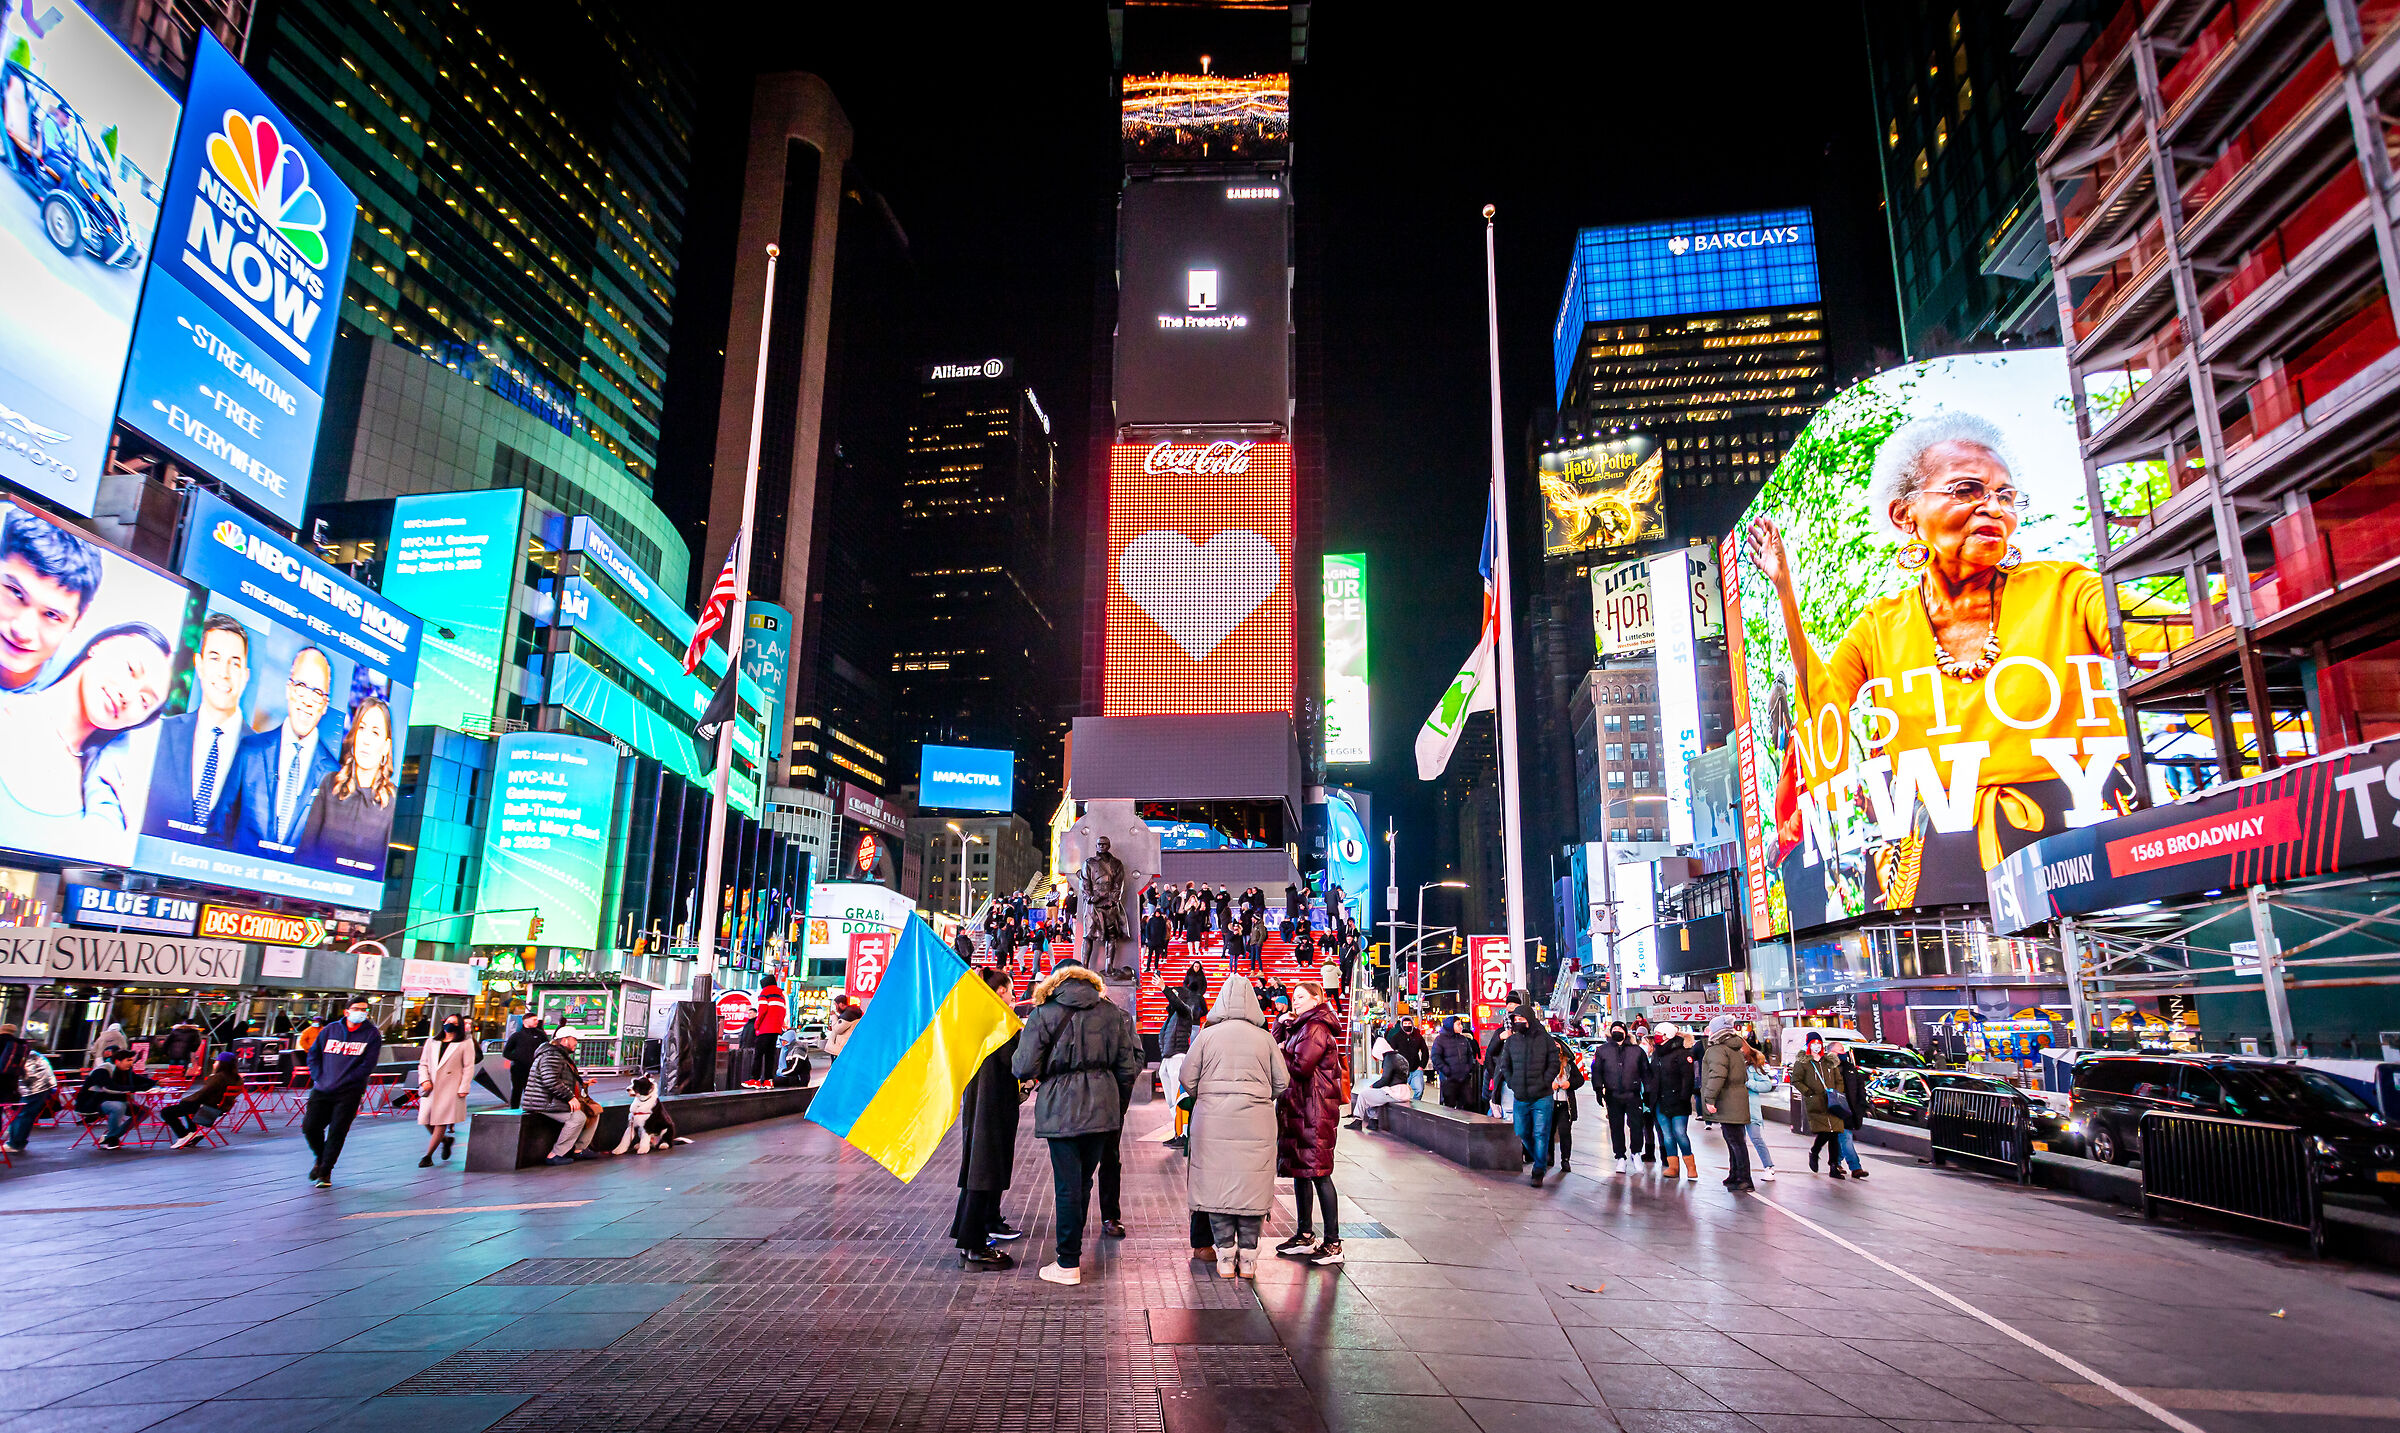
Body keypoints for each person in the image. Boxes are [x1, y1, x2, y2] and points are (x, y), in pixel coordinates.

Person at [1745, 412, 2182, 914]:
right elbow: (1823, 712)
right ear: (1904, 515)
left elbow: (2160, 641)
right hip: (1940, 862)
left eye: (2005, 496)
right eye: (1967, 490)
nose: (1992, 508)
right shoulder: (1879, 626)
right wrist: (1785, 595)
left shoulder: (2067, 589)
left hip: (2081, 844)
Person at [1010, 959, 1143, 1287]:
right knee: (1082, 1183)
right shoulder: (1112, 1013)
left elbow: (1023, 1066)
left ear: (1058, 981)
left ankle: (1068, 1261)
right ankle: (1071, 1253)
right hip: (1102, 1107)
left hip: (1062, 1108)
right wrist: (1116, 1105)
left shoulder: (1043, 1012)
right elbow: (1128, 1067)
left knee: (1068, 1185)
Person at [0, 624, 176, 840]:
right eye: (130, 668)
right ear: (100, 645)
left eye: (144, 701)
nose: (127, 695)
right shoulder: (7, 709)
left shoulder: (102, 795)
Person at [1182, 972, 1288, 1279]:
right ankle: (1249, 1260)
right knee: (1252, 1189)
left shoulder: (1207, 1035)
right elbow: (1282, 1082)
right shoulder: (1265, 1038)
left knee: (1217, 1188)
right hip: (1256, 1123)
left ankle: (1225, 1257)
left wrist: (1210, 1095)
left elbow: (1187, 1078)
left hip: (1212, 1124)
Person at [146, 614, 251, 840]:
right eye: (215, 658)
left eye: (235, 663)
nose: (224, 673)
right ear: (199, 665)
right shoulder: (159, 734)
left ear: (245, 675)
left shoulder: (263, 755)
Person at [231, 646, 339, 858]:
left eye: (317, 693)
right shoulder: (250, 751)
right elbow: (221, 827)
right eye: (301, 686)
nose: (307, 700)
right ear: (289, 689)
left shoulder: (335, 776)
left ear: (325, 705)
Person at [952, 968, 1024, 1270]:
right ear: (996, 993)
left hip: (977, 1106)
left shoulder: (977, 1022)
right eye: (1007, 991)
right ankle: (974, 1247)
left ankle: (969, 1238)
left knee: (977, 1173)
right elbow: (1019, 1063)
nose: (1012, 996)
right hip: (993, 1108)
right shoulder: (1001, 1024)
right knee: (985, 1173)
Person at [1273, 982, 1345, 1267]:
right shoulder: (1303, 1026)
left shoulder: (1315, 1028)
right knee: (1302, 1171)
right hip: (1301, 1107)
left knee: (1319, 1173)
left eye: (1302, 997)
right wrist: (1282, 1028)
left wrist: (1282, 1049)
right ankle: (1304, 1235)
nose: (1296, 1001)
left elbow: (1301, 1067)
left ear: (1317, 999)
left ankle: (1333, 1242)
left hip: (1314, 1110)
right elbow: (1282, 1049)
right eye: (1294, 997)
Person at [0, 504, 103, 693]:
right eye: (15, 593)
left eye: (51, 615)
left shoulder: (75, 688)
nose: (22, 632)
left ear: (78, 619)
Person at [299, 696, 397, 872]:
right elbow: (304, 853)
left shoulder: (393, 803)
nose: (366, 740)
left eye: (375, 732)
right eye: (362, 729)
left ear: (385, 747)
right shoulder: (330, 785)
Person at [304, 996, 383, 1186]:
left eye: (364, 1009)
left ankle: (325, 1171)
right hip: (322, 1087)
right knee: (310, 1127)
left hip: (349, 1091)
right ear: (346, 1011)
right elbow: (314, 1054)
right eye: (357, 1008)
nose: (361, 1013)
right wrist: (318, 1076)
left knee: (337, 1131)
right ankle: (321, 1157)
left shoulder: (372, 1034)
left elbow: (368, 1065)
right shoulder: (330, 1030)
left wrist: (349, 1081)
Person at [1493, 1007, 1563, 1185]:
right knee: (1522, 1132)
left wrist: (1545, 1081)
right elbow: (1505, 1065)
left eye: (1521, 1018)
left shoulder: (1545, 1039)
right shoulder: (1512, 1041)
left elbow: (1554, 1063)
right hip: (1521, 1096)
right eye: (1515, 1018)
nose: (1518, 1021)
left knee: (1541, 1133)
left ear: (1529, 1019)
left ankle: (1538, 1170)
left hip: (1542, 1096)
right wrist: (1512, 1083)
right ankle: (1540, 1156)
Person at [1790, 1032, 1863, 1178]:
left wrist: (1837, 1093)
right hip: (1816, 1103)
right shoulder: (1803, 1062)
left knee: (1835, 1133)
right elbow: (1796, 1080)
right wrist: (1809, 1092)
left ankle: (1834, 1166)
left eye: (1819, 1042)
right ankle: (1815, 1151)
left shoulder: (1829, 1061)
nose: (1816, 1045)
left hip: (1832, 1103)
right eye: (1814, 1042)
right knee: (1825, 1132)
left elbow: (1839, 1079)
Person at [1698, 1015, 1755, 1193]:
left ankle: (1744, 1178)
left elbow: (1717, 1075)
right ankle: (1735, 1174)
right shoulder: (1736, 1048)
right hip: (1738, 1098)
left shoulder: (1717, 1049)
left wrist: (1709, 1099)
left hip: (1727, 1099)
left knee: (1734, 1141)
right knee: (1735, 1139)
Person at [525, 1030, 600, 1164]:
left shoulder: (559, 1055)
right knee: (578, 1117)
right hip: (544, 1102)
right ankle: (555, 1154)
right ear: (565, 1040)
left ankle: (579, 1149)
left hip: (553, 1100)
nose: (576, 1043)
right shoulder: (551, 1055)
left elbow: (562, 1078)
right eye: (574, 1039)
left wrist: (583, 1083)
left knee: (593, 1111)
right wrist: (570, 1097)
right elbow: (550, 1080)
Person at [415, 1016, 476, 1167]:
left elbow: (469, 1067)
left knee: (441, 1122)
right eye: (448, 1022)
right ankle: (445, 1140)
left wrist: (464, 1088)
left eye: (454, 1023)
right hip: (431, 1086)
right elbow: (423, 1063)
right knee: (425, 1119)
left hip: (451, 1088)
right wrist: (424, 1080)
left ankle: (427, 1156)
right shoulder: (432, 1042)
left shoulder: (465, 1043)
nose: (450, 1026)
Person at [1160, 962, 1208, 1151]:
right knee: (1172, 1100)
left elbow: (1179, 1004)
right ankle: (1179, 1132)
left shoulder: (1184, 1012)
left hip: (1177, 1057)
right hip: (1168, 1057)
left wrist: (1164, 989)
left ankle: (1184, 1134)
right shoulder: (1172, 1016)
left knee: (1178, 1099)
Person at [1590, 1020, 1649, 1173]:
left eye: (1619, 1028)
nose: (1616, 1030)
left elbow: (1646, 1072)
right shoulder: (1602, 1050)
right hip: (1612, 1094)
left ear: (1625, 1032)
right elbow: (1597, 1071)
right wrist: (1598, 1089)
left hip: (1633, 1094)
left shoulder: (1637, 1051)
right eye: (1614, 1028)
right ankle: (1620, 1157)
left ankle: (1636, 1153)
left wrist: (1648, 1092)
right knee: (1616, 1127)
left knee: (1636, 1126)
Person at [160, 1052, 243, 1149]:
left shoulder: (217, 1077)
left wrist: (186, 1100)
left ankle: (183, 1135)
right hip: (219, 1108)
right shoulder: (237, 1079)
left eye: (216, 1062)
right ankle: (192, 1131)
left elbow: (203, 1093)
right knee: (186, 1104)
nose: (214, 1064)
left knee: (166, 1112)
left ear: (222, 1064)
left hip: (207, 1108)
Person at [76, 1049, 157, 1149]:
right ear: (117, 1061)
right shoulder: (102, 1070)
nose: (131, 1063)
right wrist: (137, 1089)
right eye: (128, 1060)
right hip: (94, 1103)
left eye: (132, 1060)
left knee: (145, 1111)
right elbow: (109, 1087)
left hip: (117, 1101)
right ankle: (112, 1139)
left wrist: (156, 1083)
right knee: (118, 1107)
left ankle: (111, 1137)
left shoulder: (126, 1070)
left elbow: (138, 1079)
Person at [1649, 1023, 1698, 1179]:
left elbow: (1688, 1079)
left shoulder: (1683, 1054)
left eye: (1659, 1034)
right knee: (1667, 1135)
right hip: (1660, 1101)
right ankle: (1673, 1167)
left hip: (1678, 1102)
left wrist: (1684, 1098)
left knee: (1680, 1133)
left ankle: (1691, 1166)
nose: (1656, 1036)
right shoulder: (1656, 1054)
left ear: (1668, 1035)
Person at [1345, 1030, 1411, 1132]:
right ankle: (1373, 1122)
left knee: (1364, 1094)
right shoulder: (1400, 1057)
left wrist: (1372, 1086)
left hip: (1395, 1093)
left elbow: (1385, 1080)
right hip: (1404, 1092)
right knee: (1373, 1096)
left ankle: (1358, 1120)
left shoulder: (1389, 1059)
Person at [1740, 1028, 1778, 1182]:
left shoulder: (1752, 1067)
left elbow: (1766, 1085)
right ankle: (1740, 1170)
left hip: (1750, 1109)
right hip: (1735, 1108)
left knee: (1756, 1138)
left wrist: (1749, 1083)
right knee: (1738, 1141)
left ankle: (1769, 1167)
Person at [3, 1041, 56, 1153]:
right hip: (42, 1086)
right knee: (26, 1115)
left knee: (22, 1114)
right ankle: (18, 1141)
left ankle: (15, 1144)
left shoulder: (22, 1056)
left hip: (34, 1087)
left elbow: (27, 1077)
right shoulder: (28, 1052)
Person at [1550, 1025, 1586, 1175]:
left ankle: (1565, 1160)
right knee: (1547, 1131)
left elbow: (1580, 1080)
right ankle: (1547, 1157)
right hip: (1549, 1103)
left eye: (1557, 1045)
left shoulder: (1569, 1064)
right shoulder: (1543, 1063)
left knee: (1565, 1132)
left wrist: (1569, 1084)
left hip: (1566, 1104)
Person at [1430, 1016, 1479, 1110]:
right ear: (1450, 1025)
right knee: (1449, 1106)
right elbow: (1435, 1057)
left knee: (1469, 1103)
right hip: (1449, 1079)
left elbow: (1469, 1055)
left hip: (1463, 1079)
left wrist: (1468, 1068)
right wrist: (1446, 1070)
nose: (1461, 1026)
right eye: (1458, 1024)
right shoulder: (1440, 1040)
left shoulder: (1463, 1039)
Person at [503, 1010, 547, 1107]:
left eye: (537, 1019)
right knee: (517, 1090)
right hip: (519, 1068)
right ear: (525, 1021)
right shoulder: (516, 1036)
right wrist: (518, 1058)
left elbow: (546, 1048)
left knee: (533, 1091)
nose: (536, 1021)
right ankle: (514, 1110)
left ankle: (532, 1110)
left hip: (535, 1068)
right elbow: (506, 1052)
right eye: (534, 1020)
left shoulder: (541, 1035)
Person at [1385, 1009, 1429, 1103]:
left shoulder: (1418, 1037)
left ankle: (1414, 1105)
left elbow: (1425, 1051)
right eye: (1405, 1024)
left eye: (1409, 1024)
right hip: (1402, 1071)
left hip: (1416, 1069)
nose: (1407, 1026)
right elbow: (1390, 1052)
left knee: (1419, 1090)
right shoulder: (1396, 1037)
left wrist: (1421, 1066)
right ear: (1402, 1025)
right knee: (1401, 1092)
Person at [750, 979, 787, 1086]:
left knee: (759, 1054)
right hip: (775, 1030)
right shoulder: (781, 995)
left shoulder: (765, 992)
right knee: (770, 1056)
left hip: (764, 1029)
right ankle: (768, 1080)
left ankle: (755, 1079)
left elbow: (762, 1010)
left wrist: (757, 1025)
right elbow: (783, 1012)